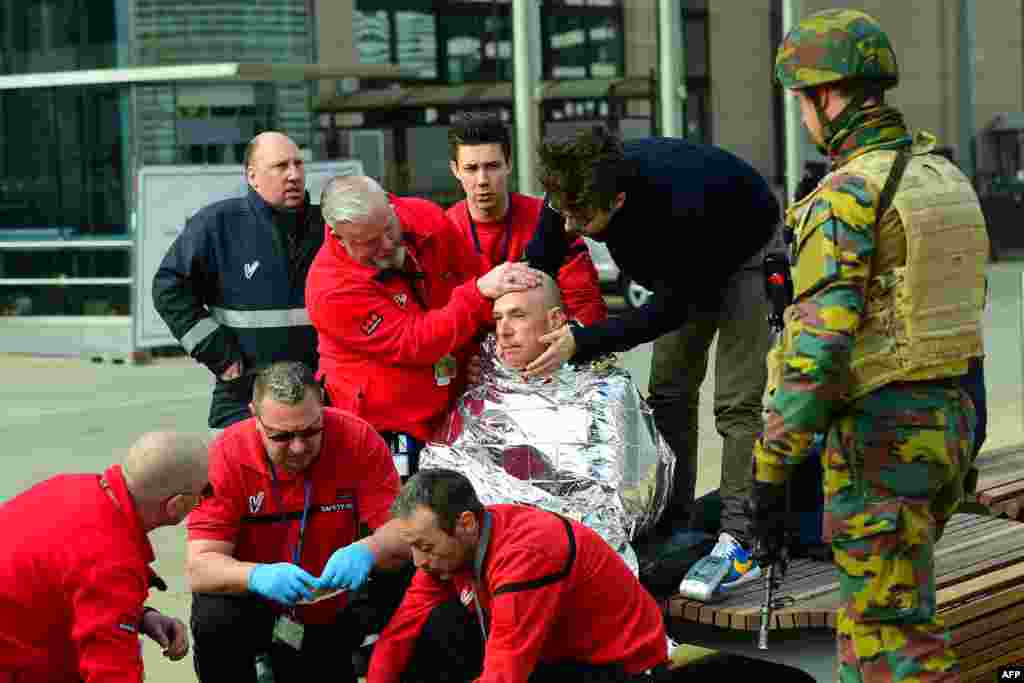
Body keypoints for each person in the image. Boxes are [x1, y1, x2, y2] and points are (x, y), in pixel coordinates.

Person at [750, 9, 988, 681]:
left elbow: (816, 352)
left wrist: (769, 473)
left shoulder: (846, 195)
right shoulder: (941, 178)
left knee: (893, 632)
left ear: (826, 95)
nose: (802, 119)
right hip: (949, 424)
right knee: (872, 620)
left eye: (802, 102)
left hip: (882, 439)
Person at [522, 125, 780, 594]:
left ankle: (740, 539)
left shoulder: (677, 207)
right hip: (683, 261)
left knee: (735, 402)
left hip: (744, 248)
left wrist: (584, 341)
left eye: (582, 220)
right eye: (562, 213)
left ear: (617, 203)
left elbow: (668, 312)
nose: (569, 228)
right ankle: (673, 520)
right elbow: (541, 259)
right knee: (669, 390)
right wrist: (522, 300)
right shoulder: (571, 187)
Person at [186, 360, 416, 682]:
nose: (298, 448)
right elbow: (199, 566)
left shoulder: (357, 438)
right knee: (214, 613)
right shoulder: (226, 454)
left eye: (310, 431)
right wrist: (256, 575)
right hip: (256, 605)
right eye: (281, 436)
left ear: (322, 404)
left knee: (412, 569)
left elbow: (407, 531)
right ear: (254, 416)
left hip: (331, 598)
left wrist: (370, 548)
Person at [429, 272, 674, 565]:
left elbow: (627, 503)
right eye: (498, 318)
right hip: (485, 561)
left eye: (517, 315)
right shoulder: (481, 391)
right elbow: (440, 483)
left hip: (569, 560)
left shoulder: (605, 395)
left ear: (556, 320)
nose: (504, 331)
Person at [306, 174, 541, 478]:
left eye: (389, 228)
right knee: (404, 519)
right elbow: (415, 341)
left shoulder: (424, 217)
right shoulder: (330, 289)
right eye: (370, 242)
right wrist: (479, 291)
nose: (388, 244)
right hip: (385, 426)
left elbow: (471, 276)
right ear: (339, 237)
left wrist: (480, 353)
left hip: (450, 410)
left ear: (390, 202)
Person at [366, 469, 670, 683]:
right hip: (556, 655)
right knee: (436, 627)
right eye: (413, 548)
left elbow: (505, 675)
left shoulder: (525, 556)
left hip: (619, 667)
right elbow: (402, 631)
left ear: (466, 523)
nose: (418, 561)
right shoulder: (447, 549)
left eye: (425, 547)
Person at [0, 431, 210, 681]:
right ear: (177, 505)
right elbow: (111, 674)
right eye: (204, 492)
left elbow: (59, 578)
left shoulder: (73, 486)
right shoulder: (112, 564)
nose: (205, 499)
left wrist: (139, 616)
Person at [154, 131, 324, 429]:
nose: (294, 175)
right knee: (236, 474)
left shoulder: (326, 226)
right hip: (244, 397)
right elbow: (169, 288)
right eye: (281, 166)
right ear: (253, 176)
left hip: (321, 396)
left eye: (298, 164)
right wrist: (215, 350)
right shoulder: (218, 225)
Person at [445, 111, 607, 326]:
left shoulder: (550, 216)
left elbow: (586, 303)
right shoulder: (443, 231)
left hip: (547, 349)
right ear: (455, 170)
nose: (482, 180)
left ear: (509, 164)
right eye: (471, 168)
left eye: (492, 166)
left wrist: (566, 346)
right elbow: (440, 313)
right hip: (473, 356)